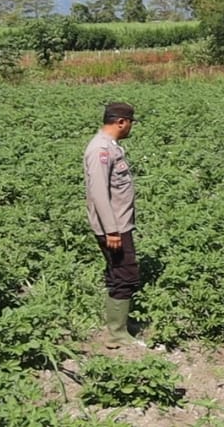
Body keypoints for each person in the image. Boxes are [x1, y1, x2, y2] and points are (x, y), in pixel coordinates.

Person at [84, 102, 145, 348]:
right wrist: (112, 229)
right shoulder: (99, 149)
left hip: (119, 225)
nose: (130, 127)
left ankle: (118, 326)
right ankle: (116, 333)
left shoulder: (110, 146)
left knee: (118, 272)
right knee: (125, 275)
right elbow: (98, 192)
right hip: (114, 228)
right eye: (130, 122)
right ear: (121, 122)